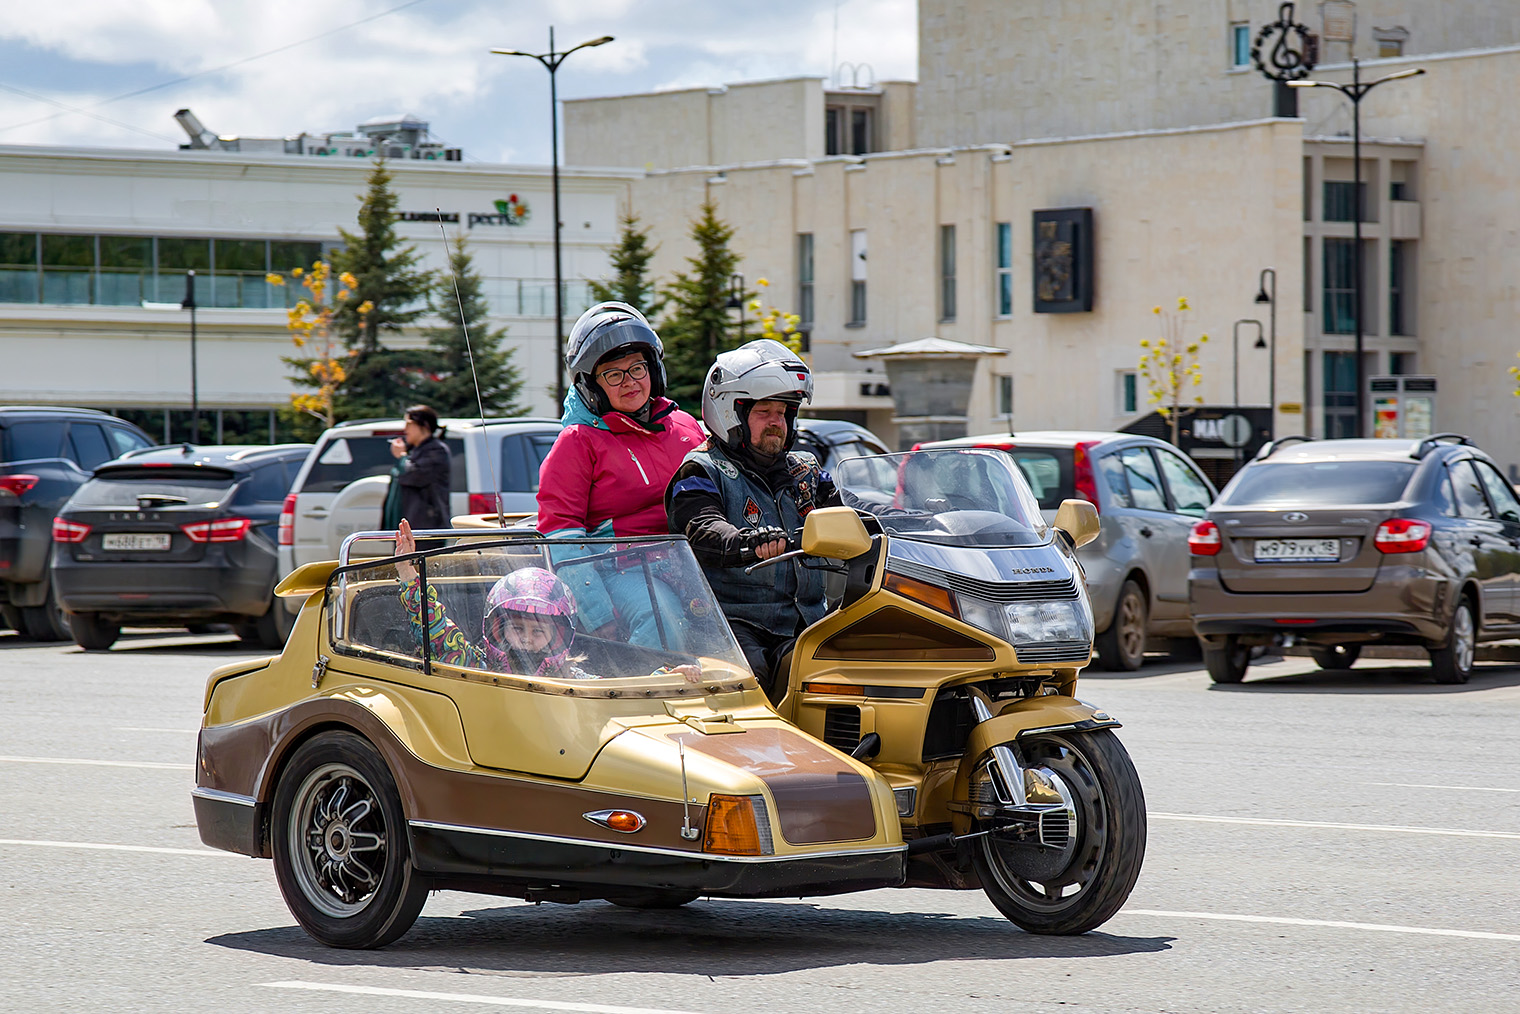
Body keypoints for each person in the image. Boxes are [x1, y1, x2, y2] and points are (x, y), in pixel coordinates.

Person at [666, 340, 841, 699]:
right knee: (746, 688)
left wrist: (908, 521)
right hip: (733, 625)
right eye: (765, 411)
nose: (777, 422)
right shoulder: (701, 469)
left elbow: (848, 511)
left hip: (808, 621)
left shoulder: (805, 471)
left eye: (784, 412)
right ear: (732, 412)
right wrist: (747, 540)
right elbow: (701, 527)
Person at [536, 301, 705, 643]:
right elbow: (561, 534)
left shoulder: (685, 427)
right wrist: (596, 615)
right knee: (661, 620)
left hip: (692, 563)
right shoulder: (579, 441)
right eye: (614, 374)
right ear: (592, 386)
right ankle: (652, 692)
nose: (630, 382)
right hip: (617, 569)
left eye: (638, 368)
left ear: (654, 371)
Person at [391, 519, 701, 683]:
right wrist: (408, 573)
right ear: (498, 629)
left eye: (538, 631)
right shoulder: (476, 664)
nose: (526, 640)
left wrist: (667, 676)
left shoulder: (569, 675)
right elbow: (437, 631)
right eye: (517, 629)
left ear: (557, 636)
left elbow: (613, 693)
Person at [381, 405, 452, 531]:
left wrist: (402, 457)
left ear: (424, 426)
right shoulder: (414, 450)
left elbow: (414, 476)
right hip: (407, 526)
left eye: (409, 424)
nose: (405, 429)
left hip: (426, 528)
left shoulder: (436, 450)